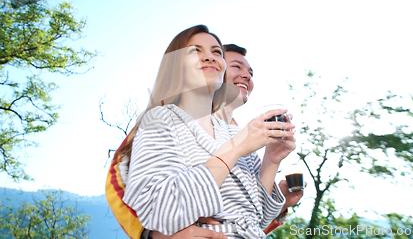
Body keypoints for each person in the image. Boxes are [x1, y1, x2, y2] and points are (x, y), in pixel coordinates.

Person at [115, 25, 296, 239]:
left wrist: (271, 160)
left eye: (216, 52)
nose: (210, 57)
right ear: (175, 67)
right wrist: (236, 147)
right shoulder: (160, 119)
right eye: (195, 51)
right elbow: (158, 210)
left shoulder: (233, 133)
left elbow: (258, 217)